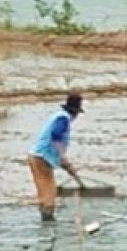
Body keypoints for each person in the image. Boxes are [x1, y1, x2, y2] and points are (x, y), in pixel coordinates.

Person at [28, 93, 85, 222]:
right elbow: (56, 136)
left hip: (36, 156)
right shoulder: (63, 119)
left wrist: (64, 163)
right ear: (75, 113)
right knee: (49, 191)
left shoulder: (58, 116)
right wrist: (62, 157)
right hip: (42, 157)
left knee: (43, 191)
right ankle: (49, 223)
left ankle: (45, 219)